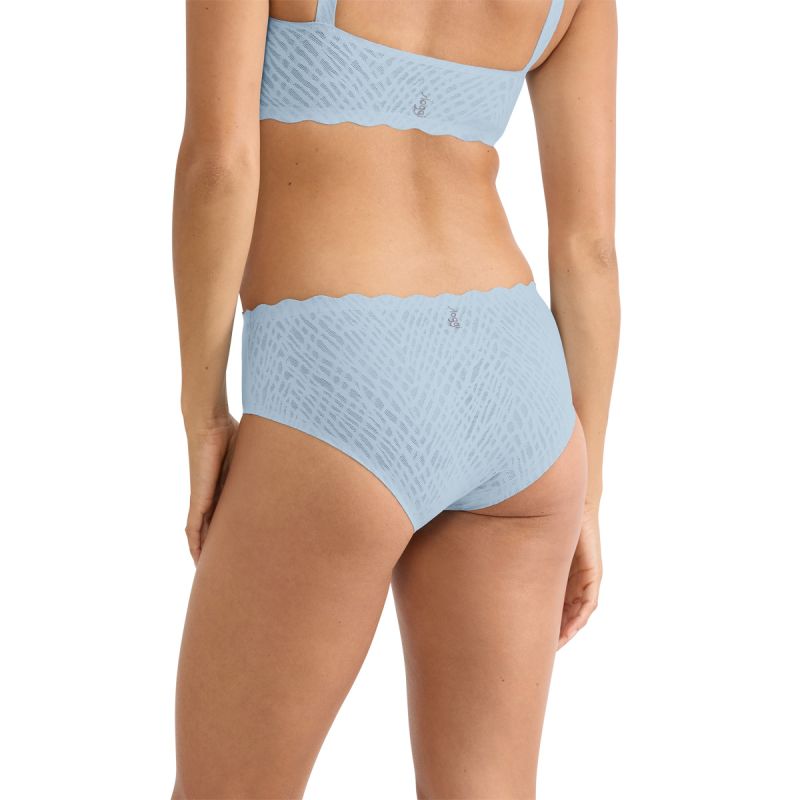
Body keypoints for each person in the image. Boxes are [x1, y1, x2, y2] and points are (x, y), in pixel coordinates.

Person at [171, 0, 619, 797]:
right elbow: (590, 249)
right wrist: (587, 488)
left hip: (346, 376)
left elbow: (220, 166)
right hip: (520, 391)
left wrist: (203, 410)